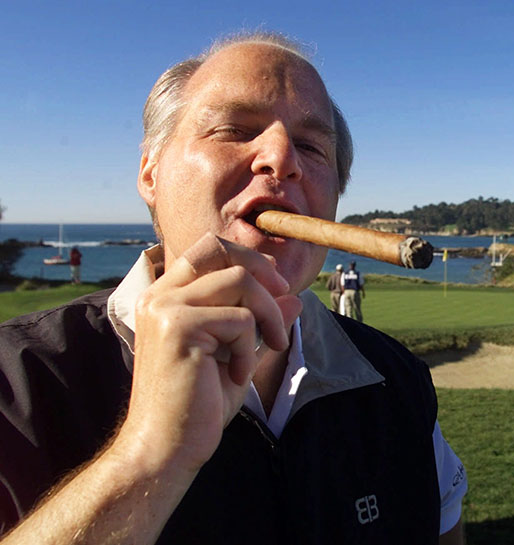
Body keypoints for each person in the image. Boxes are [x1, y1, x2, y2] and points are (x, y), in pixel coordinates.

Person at [0, 32, 466, 544]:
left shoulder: (398, 380)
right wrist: (147, 458)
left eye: (312, 146)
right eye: (233, 129)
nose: (282, 156)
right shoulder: (17, 381)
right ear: (150, 172)